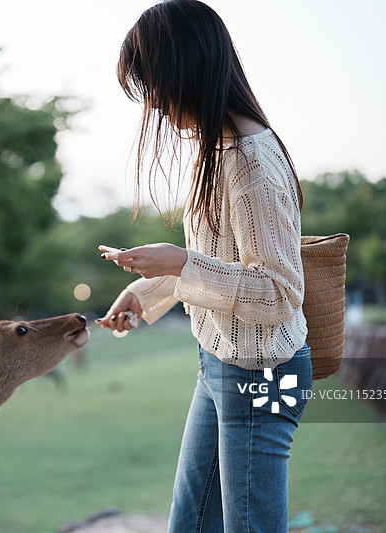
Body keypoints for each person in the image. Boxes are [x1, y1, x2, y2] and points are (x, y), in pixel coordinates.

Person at [95, 1, 312, 532]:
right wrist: (146, 292)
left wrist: (181, 262)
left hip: (260, 376)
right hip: (218, 363)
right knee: (189, 525)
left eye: (156, 87)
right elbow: (221, 263)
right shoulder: (218, 148)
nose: (155, 104)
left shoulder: (250, 163)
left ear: (188, 72)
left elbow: (279, 292)